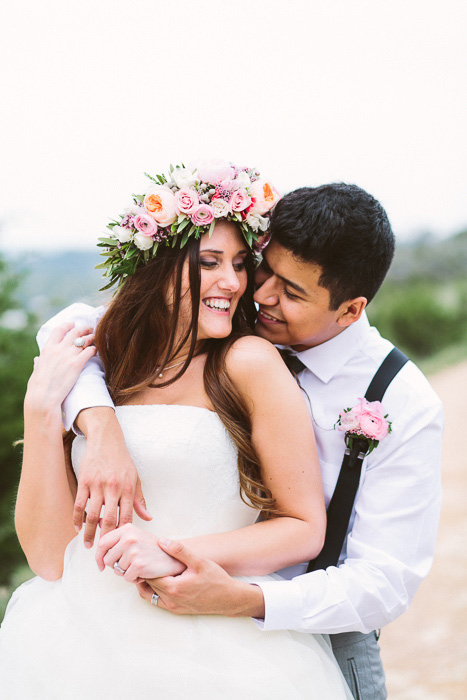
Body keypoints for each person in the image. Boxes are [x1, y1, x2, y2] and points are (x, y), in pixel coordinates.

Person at [49, 183, 444, 700]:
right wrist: (98, 424)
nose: (260, 295)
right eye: (264, 270)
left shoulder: (401, 401)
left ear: (349, 310)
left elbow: (383, 583)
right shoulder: (225, 326)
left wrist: (242, 598)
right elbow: (70, 327)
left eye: (293, 293)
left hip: (312, 640)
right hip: (150, 622)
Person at [0, 163, 352, 699]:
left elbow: (304, 527)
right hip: (77, 642)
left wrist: (174, 551)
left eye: (239, 264)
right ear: (158, 269)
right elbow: (50, 557)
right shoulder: (100, 370)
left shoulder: (247, 362)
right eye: (208, 262)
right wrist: (44, 411)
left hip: (212, 641)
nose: (233, 283)